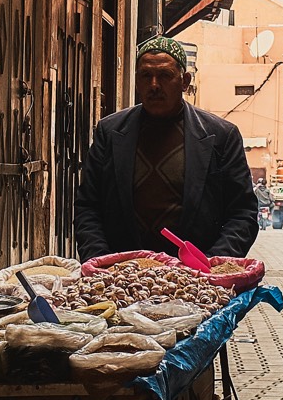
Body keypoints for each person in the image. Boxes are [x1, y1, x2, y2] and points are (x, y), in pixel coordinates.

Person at [74, 35, 260, 261]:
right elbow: (88, 207)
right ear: (137, 81)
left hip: (195, 280)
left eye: (165, 76)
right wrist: (101, 262)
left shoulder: (221, 136)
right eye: (146, 76)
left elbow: (243, 213)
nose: (154, 85)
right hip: (122, 276)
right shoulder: (110, 133)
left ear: (185, 81)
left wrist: (210, 266)